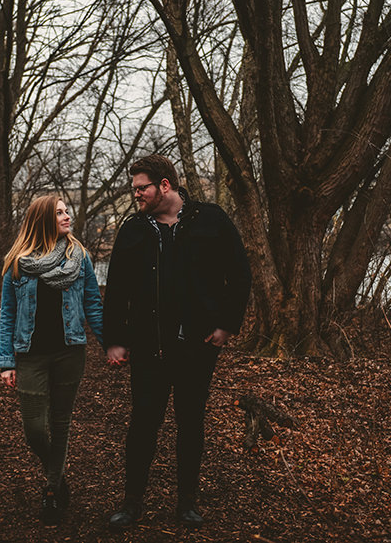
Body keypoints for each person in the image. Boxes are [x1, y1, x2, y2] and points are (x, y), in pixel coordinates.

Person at [104, 154, 251, 529]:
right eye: (134, 188)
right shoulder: (134, 230)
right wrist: (115, 340)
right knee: (143, 424)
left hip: (196, 347)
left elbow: (239, 273)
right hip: (149, 347)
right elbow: (117, 289)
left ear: (164, 186)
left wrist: (226, 325)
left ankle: (187, 502)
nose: (136, 194)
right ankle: (132, 502)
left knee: (191, 423)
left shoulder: (211, 220)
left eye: (142, 188)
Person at [0, 195, 104, 524]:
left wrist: (111, 344)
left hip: (69, 351)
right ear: (43, 218)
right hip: (29, 354)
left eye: (66, 210)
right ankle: (56, 473)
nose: (67, 216)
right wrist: (6, 361)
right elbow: (7, 314)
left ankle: (52, 488)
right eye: (59, 212)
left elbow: (93, 305)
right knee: (33, 430)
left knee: (60, 423)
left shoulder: (80, 258)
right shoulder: (18, 263)